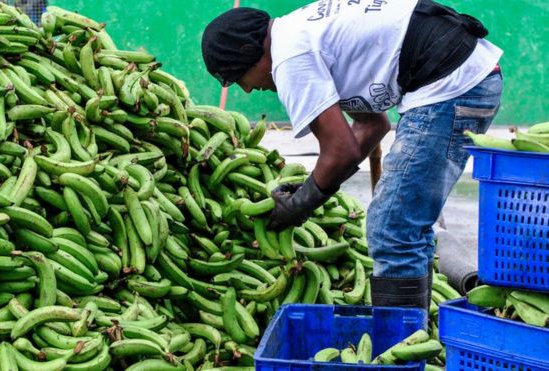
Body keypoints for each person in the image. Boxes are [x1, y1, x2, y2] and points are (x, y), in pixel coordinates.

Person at [201, 0, 503, 309]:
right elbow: (372, 126)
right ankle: (416, 332)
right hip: (467, 71)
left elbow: (341, 151)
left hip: (453, 82)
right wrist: (312, 186)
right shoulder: (299, 32)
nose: (248, 90)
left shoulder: (289, 57)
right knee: (406, 226)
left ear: (247, 56)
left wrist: (299, 205)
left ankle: (398, 347)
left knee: (391, 227)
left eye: (238, 79)